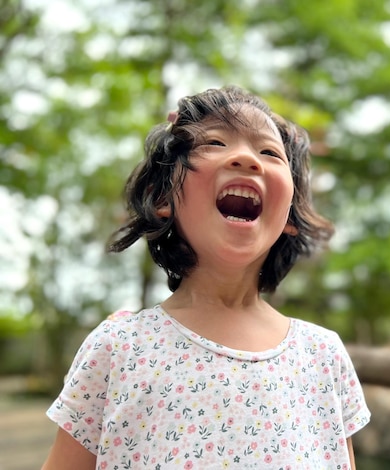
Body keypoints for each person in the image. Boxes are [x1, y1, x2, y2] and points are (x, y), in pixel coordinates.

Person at [42, 86, 370, 469]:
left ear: (291, 216)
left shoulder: (322, 356)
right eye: (214, 142)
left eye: (269, 152)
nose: (247, 159)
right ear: (161, 197)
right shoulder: (119, 350)